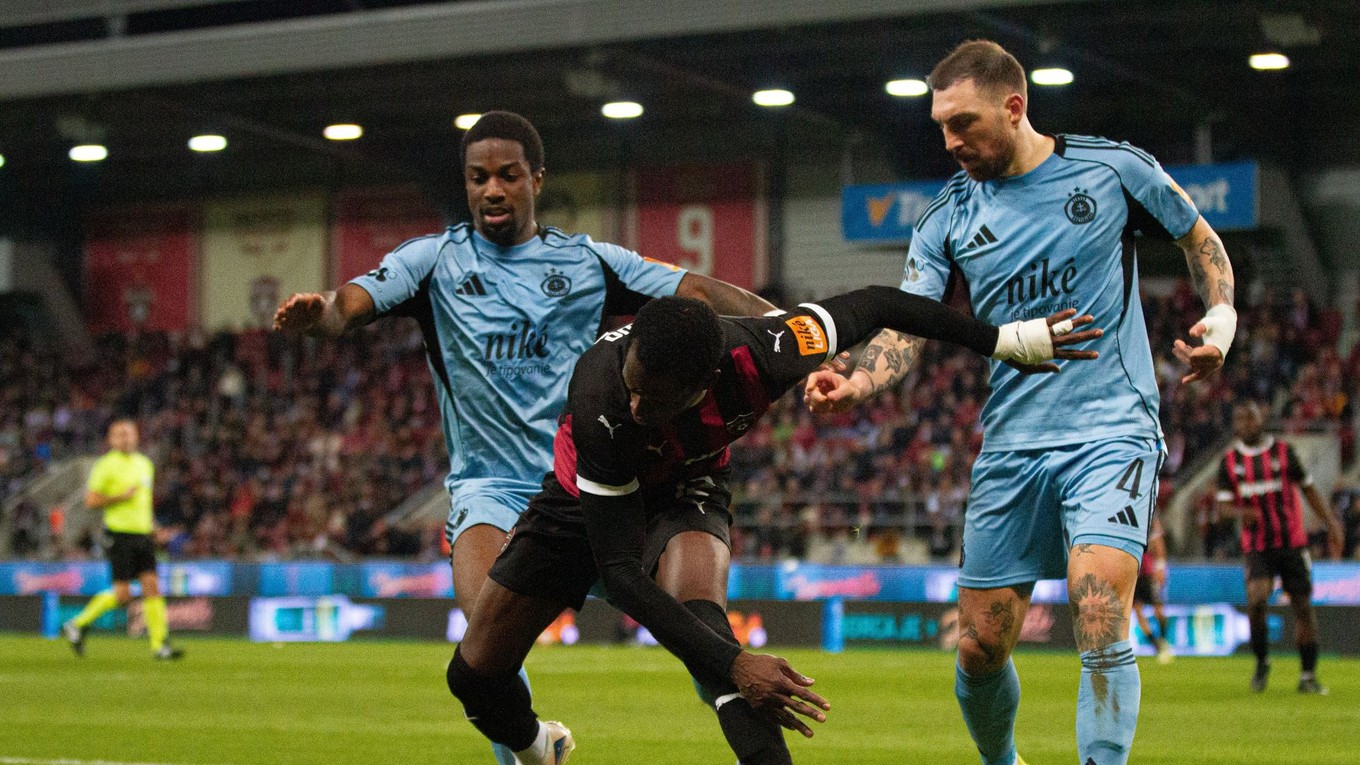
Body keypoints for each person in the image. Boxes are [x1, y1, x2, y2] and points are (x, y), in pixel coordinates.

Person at [272, 111, 777, 765]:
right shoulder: (433, 261)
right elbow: (348, 304)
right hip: (492, 489)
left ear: (537, 178)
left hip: (597, 477)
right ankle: (535, 749)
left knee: (700, 628)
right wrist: (320, 313)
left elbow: (696, 290)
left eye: (508, 175)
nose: (492, 189)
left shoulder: (589, 261)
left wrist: (785, 328)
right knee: (487, 646)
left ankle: (750, 737)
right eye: (477, 177)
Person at [804, 40, 1236, 765]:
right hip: (1011, 445)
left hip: (1111, 429)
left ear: (1014, 107)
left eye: (964, 123)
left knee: (1097, 607)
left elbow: (1201, 240)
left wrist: (1220, 320)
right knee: (978, 646)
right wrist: (859, 382)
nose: (950, 141)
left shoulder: (1111, 169)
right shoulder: (945, 217)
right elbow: (910, 324)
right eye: (942, 126)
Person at [447, 288, 1100, 765]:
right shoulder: (603, 404)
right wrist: (737, 662)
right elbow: (619, 574)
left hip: (689, 483)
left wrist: (1003, 340)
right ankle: (539, 748)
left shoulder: (770, 349)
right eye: (634, 384)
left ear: (705, 383)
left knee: (703, 619)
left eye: (657, 397)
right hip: (580, 501)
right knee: (473, 678)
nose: (638, 402)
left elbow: (878, 304)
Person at [1215, 401, 1343, 694]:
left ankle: (1308, 675)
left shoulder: (1284, 453)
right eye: (1239, 419)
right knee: (1256, 600)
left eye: (1250, 417)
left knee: (1302, 606)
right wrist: (1240, 513)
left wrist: (1331, 522)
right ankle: (1262, 661)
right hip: (1257, 546)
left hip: (1292, 543)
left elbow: (1308, 488)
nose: (1245, 424)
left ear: (1261, 419)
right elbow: (1222, 508)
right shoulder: (1230, 462)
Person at [62, 419, 182, 661]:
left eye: (129, 433)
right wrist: (119, 496)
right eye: (120, 434)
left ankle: (160, 646)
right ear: (111, 439)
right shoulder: (105, 465)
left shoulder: (144, 464)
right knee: (123, 595)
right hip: (120, 535)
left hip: (143, 535)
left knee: (152, 587)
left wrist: (155, 529)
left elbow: (143, 504)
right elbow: (91, 500)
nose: (125, 438)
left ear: (137, 436)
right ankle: (77, 624)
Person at [1131, 514, 1173, 664]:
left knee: (1158, 610)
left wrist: (1160, 567)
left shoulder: (1149, 520)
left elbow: (1158, 546)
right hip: (1133, 574)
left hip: (1148, 575)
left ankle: (1163, 640)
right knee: (1137, 610)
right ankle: (1157, 646)